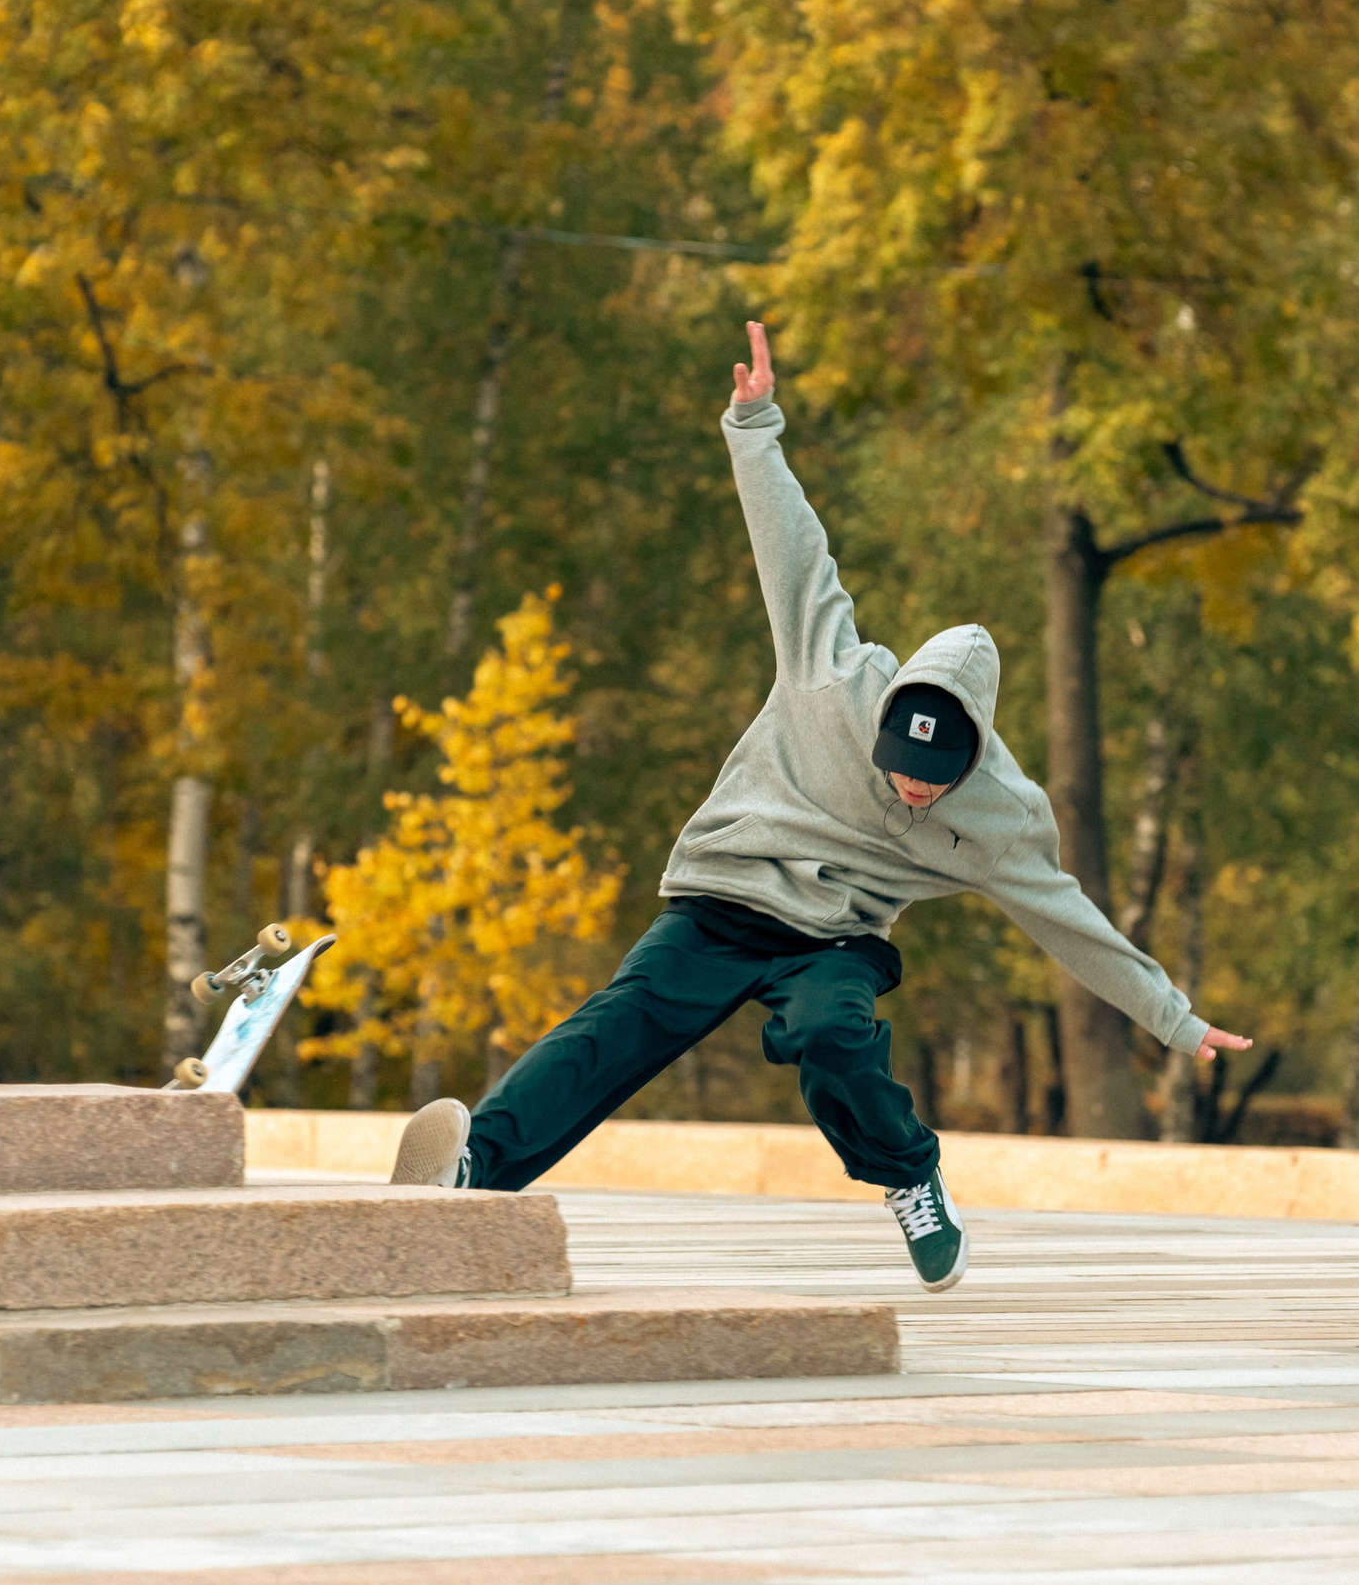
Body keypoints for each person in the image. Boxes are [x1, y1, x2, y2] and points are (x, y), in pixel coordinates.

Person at [383, 320, 1253, 1291]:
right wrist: (753, 423)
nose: (912, 788)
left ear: (978, 753)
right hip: (720, 902)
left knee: (831, 1033)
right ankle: (477, 1172)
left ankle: (909, 1176)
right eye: (900, 767)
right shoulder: (828, 670)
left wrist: (1174, 1020)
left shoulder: (1004, 815)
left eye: (934, 779)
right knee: (615, 1024)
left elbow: (1068, 920)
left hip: (832, 940)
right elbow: (790, 546)